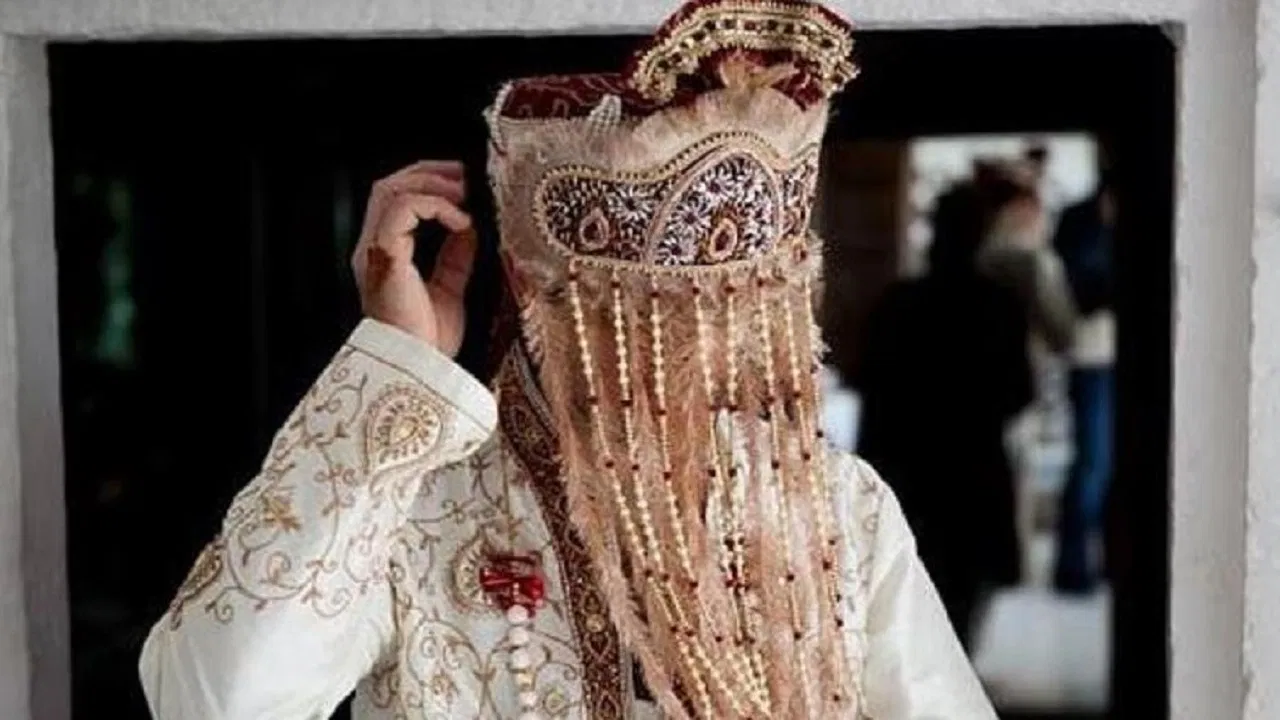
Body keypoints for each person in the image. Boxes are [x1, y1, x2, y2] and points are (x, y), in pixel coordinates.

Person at [137, 2, 996, 718]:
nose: (698, 349)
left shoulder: (834, 510)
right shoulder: (418, 499)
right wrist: (393, 372)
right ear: (530, 285)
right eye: (647, 313)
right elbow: (210, 702)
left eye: (738, 305)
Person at [854, 180, 1035, 650]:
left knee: (907, 608)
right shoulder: (998, 306)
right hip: (972, 472)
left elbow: (866, 383)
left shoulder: (899, 303)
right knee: (958, 611)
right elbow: (1020, 393)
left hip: (909, 472)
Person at [1051, 170, 1117, 594]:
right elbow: (1080, 290)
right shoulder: (1079, 221)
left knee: (1108, 466)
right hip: (1092, 356)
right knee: (1092, 464)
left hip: (1110, 355)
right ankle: (1072, 567)